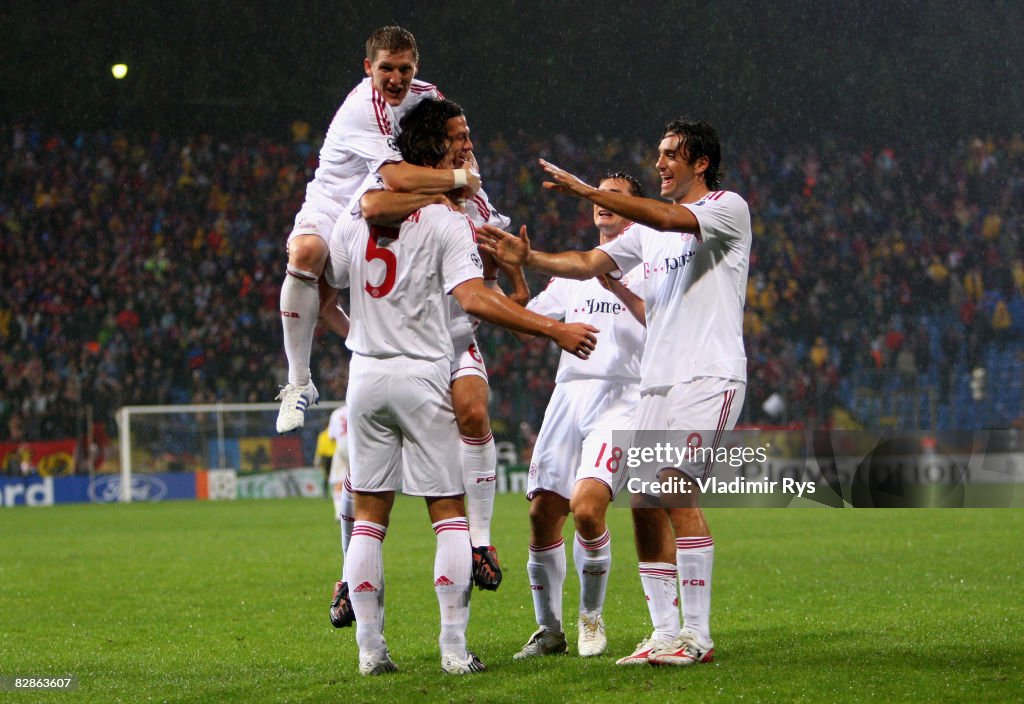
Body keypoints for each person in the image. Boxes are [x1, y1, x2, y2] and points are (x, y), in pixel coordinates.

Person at [324, 97, 599, 675]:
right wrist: (554, 328)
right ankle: (452, 648)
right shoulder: (448, 220)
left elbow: (331, 273)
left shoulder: (357, 210)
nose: (468, 151)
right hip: (423, 371)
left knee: (371, 517)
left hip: (365, 373)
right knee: (447, 515)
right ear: (436, 155)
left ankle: (371, 652)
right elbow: (475, 298)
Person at [478, 118, 751, 667]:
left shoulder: (727, 208)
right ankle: (665, 632)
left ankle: (697, 636)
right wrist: (527, 259)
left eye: (672, 154)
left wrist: (588, 190)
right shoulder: (646, 235)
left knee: (673, 489)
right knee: (645, 506)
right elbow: (586, 263)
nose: (660, 163)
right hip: (656, 380)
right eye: (658, 152)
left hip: (708, 374)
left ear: (700, 162)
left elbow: (671, 214)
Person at [327, 102, 517, 633]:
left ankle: (480, 541)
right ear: (433, 147)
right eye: (458, 137)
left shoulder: (474, 200)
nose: (467, 145)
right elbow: (365, 220)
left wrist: (511, 267)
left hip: (451, 341)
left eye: (468, 136)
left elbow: (494, 287)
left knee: (475, 413)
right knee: (384, 493)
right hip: (409, 350)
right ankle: (351, 575)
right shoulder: (387, 195)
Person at [276, 25, 481, 434]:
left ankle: (405, 350)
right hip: (340, 200)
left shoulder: (430, 97)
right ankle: (298, 381)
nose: (396, 79)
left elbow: (459, 144)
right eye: (386, 68)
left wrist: (469, 181)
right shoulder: (361, 108)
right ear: (369, 67)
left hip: (380, 193)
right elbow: (399, 179)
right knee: (305, 257)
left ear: (415, 67)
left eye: (404, 69)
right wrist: (459, 180)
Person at [510, 172, 647, 660]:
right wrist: (516, 274)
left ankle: (591, 619)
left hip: (622, 397)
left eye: (617, 197)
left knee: (587, 509)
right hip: (567, 397)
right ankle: (548, 631)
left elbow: (669, 326)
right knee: (542, 513)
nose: (605, 204)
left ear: (637, 210)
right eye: (600, 196)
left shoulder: (653, 266)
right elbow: (528, 325)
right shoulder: (572, 272)